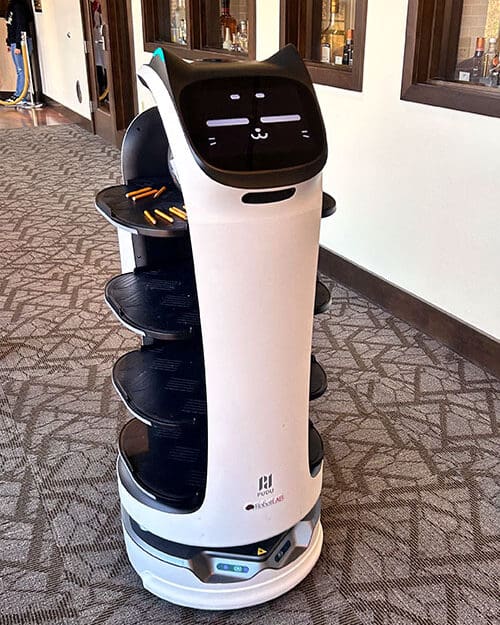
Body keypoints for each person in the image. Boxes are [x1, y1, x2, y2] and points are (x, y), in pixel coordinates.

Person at [5, 0, 33, 108]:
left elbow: (21, 26)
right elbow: (10, 27)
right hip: (14, 42)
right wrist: (9, 42)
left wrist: (18, 45)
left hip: (20, 42)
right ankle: (19, 95)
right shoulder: (11, 7)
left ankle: (21, 96)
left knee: (22, 70)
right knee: (19, 70)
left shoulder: (18, 6)